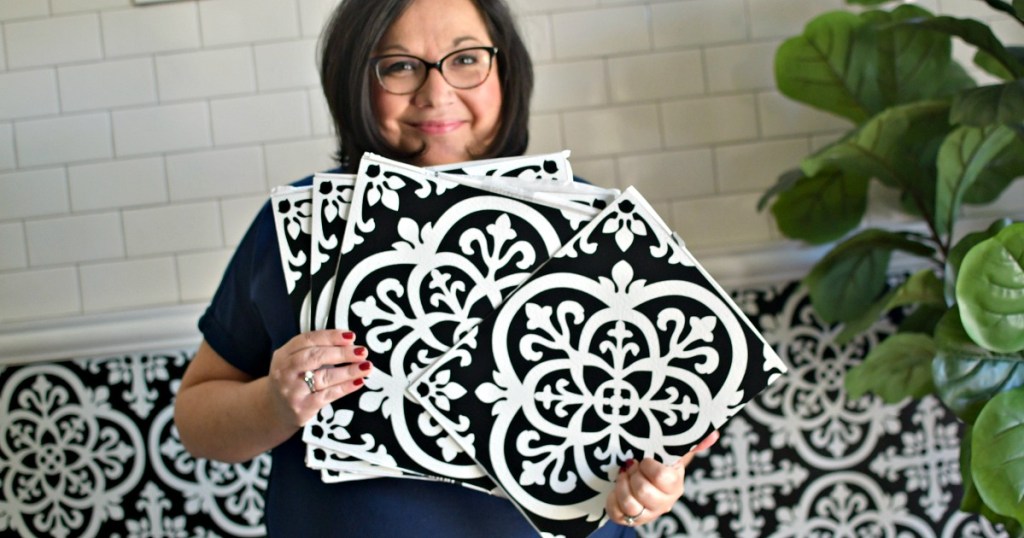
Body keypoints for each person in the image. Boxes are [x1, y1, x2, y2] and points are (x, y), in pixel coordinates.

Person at [173, 0, 719, 535]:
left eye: (465, 59)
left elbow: (645, 445)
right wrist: (273, 403)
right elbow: (198, 423)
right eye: (400, 66)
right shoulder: (299, 228)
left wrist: (653, 483)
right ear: (355, 79)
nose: (437, 94)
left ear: (506, 71)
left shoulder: (597, 228)